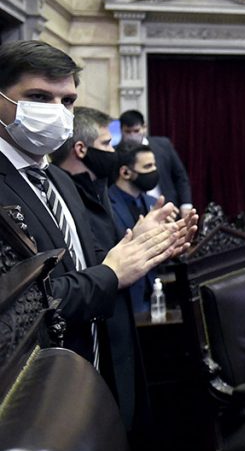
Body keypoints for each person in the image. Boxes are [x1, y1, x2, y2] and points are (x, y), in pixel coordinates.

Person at [0, 41, 195, 380]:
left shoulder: (60, 179)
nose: (57, 111)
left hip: (97, 367)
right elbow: (19, 305)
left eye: (68, 101)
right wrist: (112, 273)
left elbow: (85, 265)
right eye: (40, 97)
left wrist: (140, 246)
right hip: (39, 384)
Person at [50, 106, 149, 429]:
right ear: (81, 149)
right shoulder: (63, 190)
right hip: (82, 339)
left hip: (116, 324)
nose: (114, 152)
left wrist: (142, 241)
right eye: (107, 144)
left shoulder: (97, 187)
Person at [108, 142, 160, 314]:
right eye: (147, 166)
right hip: (125, 300)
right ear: (125, 172)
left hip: (153, 295)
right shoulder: (106, 205)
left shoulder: (153, 203)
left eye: (154, 165)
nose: (154, 171)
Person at [118, 109, 192, 212]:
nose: (132, 136)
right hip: (136, 210)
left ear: (144, 127)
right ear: (121, 130)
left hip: (169, 207)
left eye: (136, 131)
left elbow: (180, 176)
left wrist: (186, 205)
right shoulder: (117, 153)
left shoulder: (163, 145)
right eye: (128, 132)